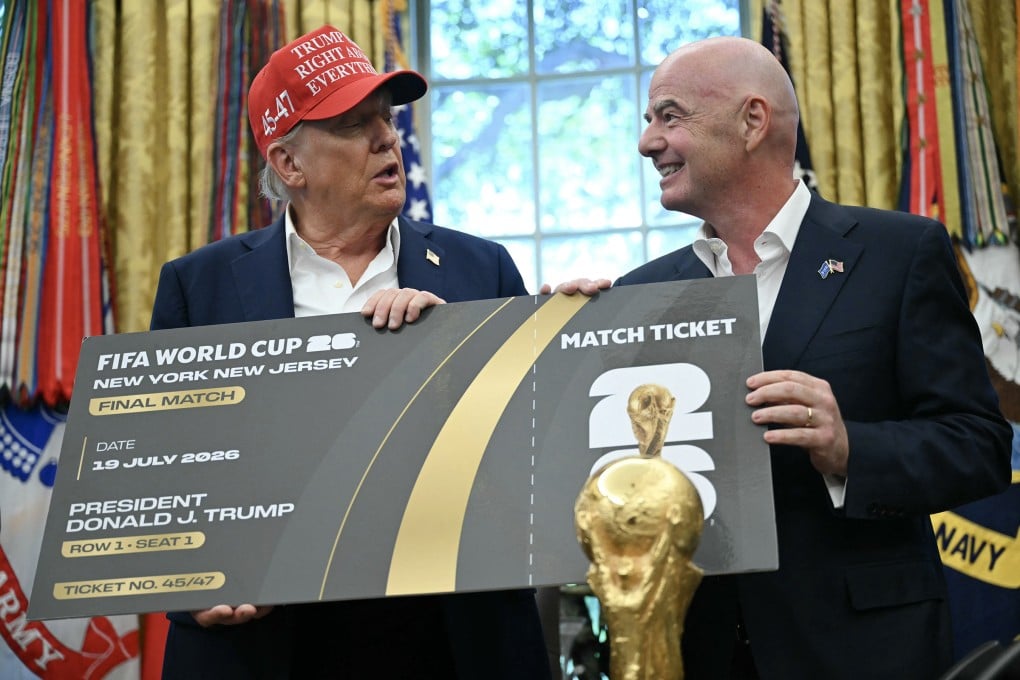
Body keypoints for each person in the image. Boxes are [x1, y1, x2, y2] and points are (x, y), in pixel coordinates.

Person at [550, 36, 1013, 679]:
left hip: (861, 649)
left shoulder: (899, 254)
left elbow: (979, 445)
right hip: (700, 652)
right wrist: (567, 344)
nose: (647, 142)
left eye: (669, 116)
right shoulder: (642, 293)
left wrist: (848, 448)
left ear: (752, 121)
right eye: (650, 119)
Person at [150, 25, 551, 680]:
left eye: (385, 118)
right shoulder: (200, 286)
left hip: (451, 639)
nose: (386, 138)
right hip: (271, 647)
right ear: (289, 164)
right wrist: (192, 588)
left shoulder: (481, 270)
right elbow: (164, 471)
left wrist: (460, 354)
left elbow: (533, 453)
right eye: (353, 124)